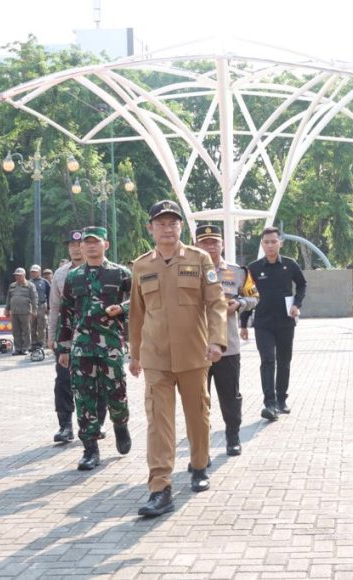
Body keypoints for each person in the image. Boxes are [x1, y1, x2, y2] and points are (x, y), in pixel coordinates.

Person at [129, 200, 227, 517]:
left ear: (180, 228)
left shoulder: (199, 260)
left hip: (194, 354)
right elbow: (136, 314)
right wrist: (134, 354)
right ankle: (160, 487)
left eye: (173, 223)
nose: (167, 229)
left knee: (197, 415)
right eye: (161, 223)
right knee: (158, 422)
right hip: (155, 357)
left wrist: (217, 341)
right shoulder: (142, 266)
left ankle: (199, 465)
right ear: (151, 228)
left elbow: (216, 303)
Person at [56, 226, 132, 471]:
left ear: (105, 245)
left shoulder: (121, 274)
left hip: (111, 345)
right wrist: (64, 348)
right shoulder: (73, 276)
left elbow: (140, 301)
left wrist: (123, 308)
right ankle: (90, 449)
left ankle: (120, 425)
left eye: (95, 242)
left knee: (116, 393)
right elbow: (66, 312)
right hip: (82, 348)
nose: (89, 246)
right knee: (84, 398)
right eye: (86, 243)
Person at [195, 223, 259, 457]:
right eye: (205, 242)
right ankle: (202, 440)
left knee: (230, 395)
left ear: (222, 243)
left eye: (214, 242)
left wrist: (240, 304)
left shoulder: (238, 272)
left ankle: (233, 436)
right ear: (196, 245)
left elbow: (254, 297)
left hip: (227, 345)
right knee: (199, 398)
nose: (210, 247)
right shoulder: (189, 271)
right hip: (196, 345)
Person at [241, 226, 306, 421]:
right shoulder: (254, 268)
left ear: (280, 243)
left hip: (286, 321)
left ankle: (281, 400)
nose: (270, 245)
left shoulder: (290, 264)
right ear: (262, 244)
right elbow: (247, 295)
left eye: (274, 241)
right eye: (266, 242)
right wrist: (244, 324)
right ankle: (269, 403)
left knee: (284, 361)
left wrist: (297, 304)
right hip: (263, 323)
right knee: (268, 360)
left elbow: (302, 284)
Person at [49, 230, 107, 443]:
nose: (75, 248)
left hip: (96, 336)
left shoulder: (106, 271)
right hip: (67, 336)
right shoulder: (61, 274)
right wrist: (51, 336)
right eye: (71, 245)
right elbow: (54, 307)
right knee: (63, 380)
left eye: (78, 244)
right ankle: (65, 426)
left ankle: (97, 423)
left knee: (98, 382)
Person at [5, 267, 37, 355]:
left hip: (25, 311)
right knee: (15, 331)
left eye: (19, 276)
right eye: (16, 276)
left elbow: (34, 298)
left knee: (26, 330)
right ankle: (18, 348)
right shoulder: (12, 285)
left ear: (24, 275)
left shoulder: (30, 285)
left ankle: (26, 348)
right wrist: (7, 309)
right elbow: (9, 298)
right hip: (14, 312)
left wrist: (34, 309)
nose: (17, 277)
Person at [29, 264, 51, 348]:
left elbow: (49, 295)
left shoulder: (45, 282)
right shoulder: (29, 282)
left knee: (41, 325)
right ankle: (33, 342)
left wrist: (48, 307)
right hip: (31, 307)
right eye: (32, 272)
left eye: (35, 272)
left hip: (42, 305)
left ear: (39, 272)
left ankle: (41, 343)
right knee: (32, 325)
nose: (33, 273)